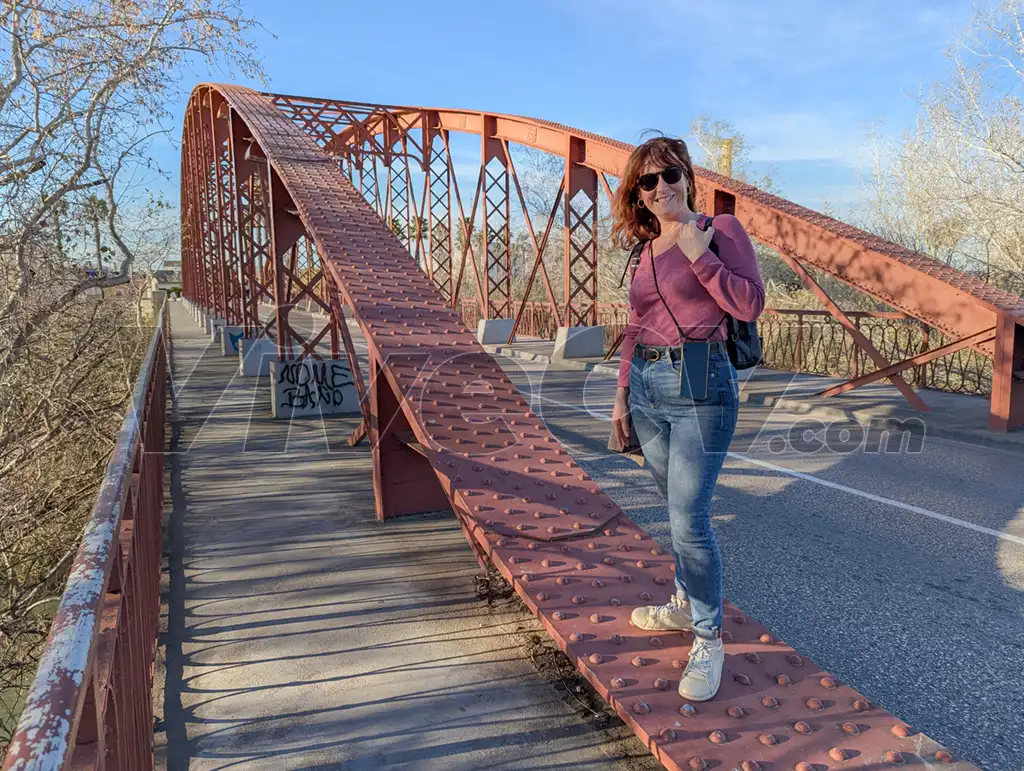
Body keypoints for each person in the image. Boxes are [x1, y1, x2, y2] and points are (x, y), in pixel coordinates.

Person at [610, 136, 765, 702]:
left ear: (687, 178)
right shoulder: (646, 252)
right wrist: (621, 396)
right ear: (638, 194)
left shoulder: (720, 232)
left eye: (669, 175)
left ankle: (708, 637)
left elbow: (748, 304)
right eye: (647, 182)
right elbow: (634, 326)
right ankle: (683, 603)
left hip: (702, 378)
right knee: (674, 511)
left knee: (689, 517)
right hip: (649, 386)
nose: (660, 188)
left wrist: (700, 255)